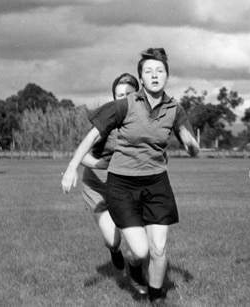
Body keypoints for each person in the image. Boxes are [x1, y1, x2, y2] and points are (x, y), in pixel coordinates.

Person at [61, 48, 199, 305]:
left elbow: (190, 144)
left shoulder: (174, 109)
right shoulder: (123, 107)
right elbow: (90, 138)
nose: (154, 75)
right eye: (148, 71)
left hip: (156, 183)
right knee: (140, 250)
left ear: (167, 77)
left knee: (158, 249)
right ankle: (133, 265)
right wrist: (71, 168)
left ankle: (156, 298)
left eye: (160, 71)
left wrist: (192, 146)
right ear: (142, 79)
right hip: (121, 184)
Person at [79, 73, 140, 275]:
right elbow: (82, 156)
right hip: (97, 186)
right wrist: (103, 164)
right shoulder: (106, 121)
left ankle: (141, 273)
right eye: (119, 94)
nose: (123, 98)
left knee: (141, 242)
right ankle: (114, 250)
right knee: (113, 240)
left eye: (128, 94)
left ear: (137, 95)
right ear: (113, 97)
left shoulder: (143, 121)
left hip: (125, 188)